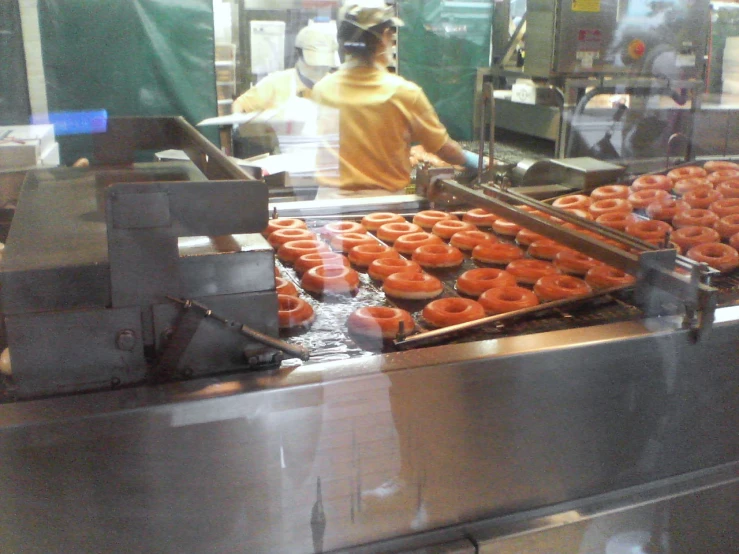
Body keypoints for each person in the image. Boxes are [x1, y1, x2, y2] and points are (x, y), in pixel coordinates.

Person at [311, 1, 484, 196]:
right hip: (382, 205)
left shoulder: (322, 89)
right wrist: (476, 163)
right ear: (384, 37)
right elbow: (443, 149)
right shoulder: (403, 93)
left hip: (329, 204)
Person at [231, 24, 339, 158]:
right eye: (314, 65)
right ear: (298, 54)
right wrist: (241, 127)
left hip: (328, 163)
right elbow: (240, 106)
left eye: (324, 66)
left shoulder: (338, 86)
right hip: (287, 164)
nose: (319, 70)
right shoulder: (276, 82)